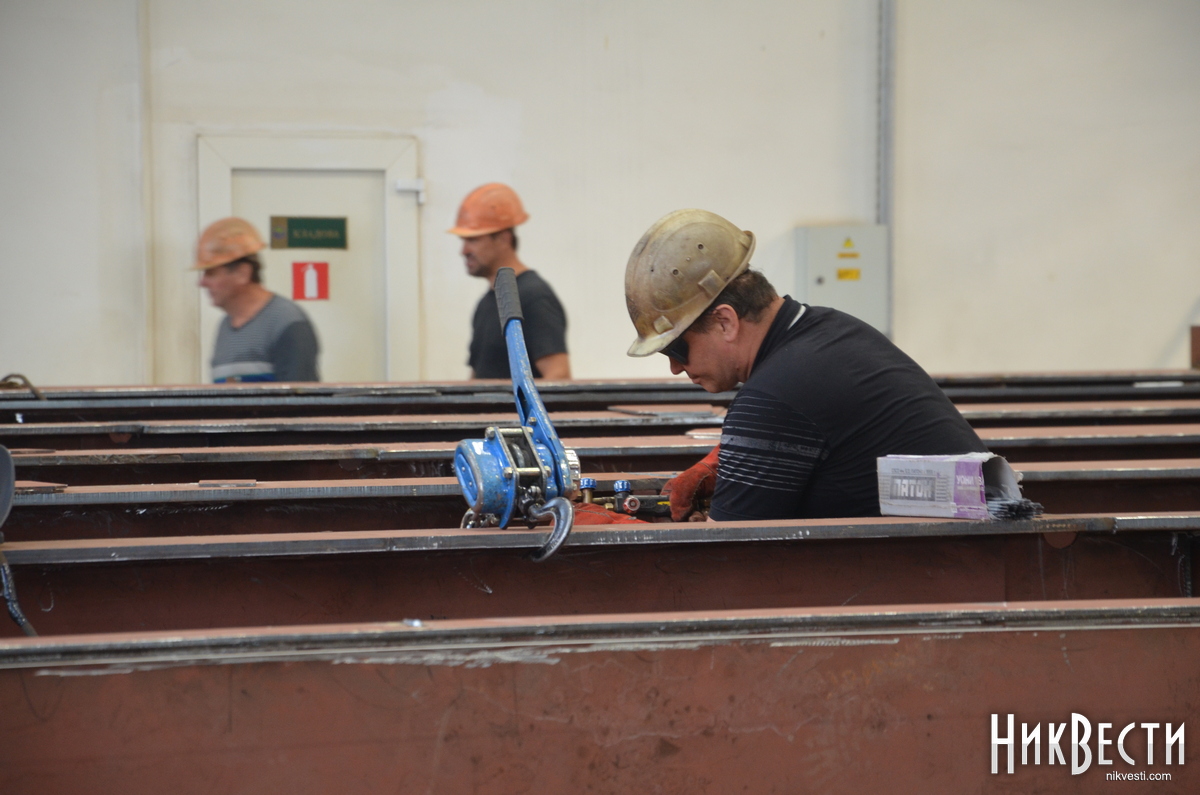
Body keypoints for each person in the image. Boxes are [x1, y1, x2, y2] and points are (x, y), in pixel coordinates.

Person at [622, 208, 990, 522]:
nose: (675, 368)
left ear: (725, 322)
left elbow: (722, 561)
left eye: (677, 349)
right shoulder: (833, 329)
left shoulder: (772, 397)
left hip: (936, 572)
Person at [449, 183, 570, 380]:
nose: (464, 251)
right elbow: (478, 378)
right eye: (463, 241)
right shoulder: (486, 303)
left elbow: (558, 376)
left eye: (473, 240)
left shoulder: (534, 297)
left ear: (504, 239)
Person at [194, 217, 320, 383]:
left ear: (242, 273)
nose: (202, 283)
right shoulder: (225, 327)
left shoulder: (286, 321)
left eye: (211, 273)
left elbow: (300, 396)